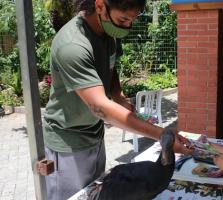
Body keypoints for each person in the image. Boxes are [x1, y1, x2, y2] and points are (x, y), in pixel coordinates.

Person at [42, 0, 192, 199]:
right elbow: (99, 107)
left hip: (94, 135)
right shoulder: (73, 45)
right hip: (68, 142)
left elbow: (110, 67)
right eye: (123, 19)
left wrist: (118, 96)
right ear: (99, 6)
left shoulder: (109, 33)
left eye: (132, 20)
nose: (128, 26)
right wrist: (162, 135)